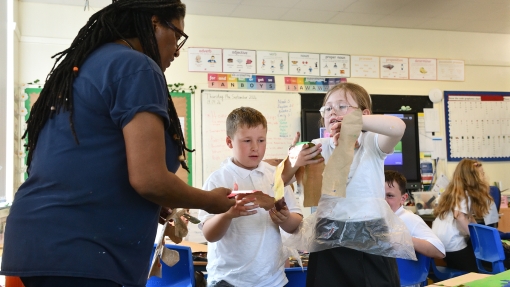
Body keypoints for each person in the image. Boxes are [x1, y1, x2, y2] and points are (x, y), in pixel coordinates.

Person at [0, 1, 234, 287]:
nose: (177, 49)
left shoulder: (85, 65)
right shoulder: (137, 66)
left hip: (40, 245)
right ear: (154, 22)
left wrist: (148, 203)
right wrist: (210, 201)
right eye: (177, 35)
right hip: (82, 251)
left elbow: (83, 163)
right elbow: (149, 179)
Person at [282, 82, 406, 287]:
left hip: (370, 235)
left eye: (342, 106)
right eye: (328, 108)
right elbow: (282, 181)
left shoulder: (372, 143)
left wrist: (357, 123)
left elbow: (398, 127)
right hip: (328, 236)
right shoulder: (318, 146)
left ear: (364, 114)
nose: (333, 112)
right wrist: (294, 160)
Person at [198, 107, 303, 287]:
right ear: (229, 142)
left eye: (261, 140)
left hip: (273, 281)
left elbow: (296, 225)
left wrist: (285, 218)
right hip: (229, 281)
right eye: (247, 140)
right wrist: (227, 214)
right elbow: (209, 234)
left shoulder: (276, 176)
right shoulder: (218, 180)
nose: (255, 147)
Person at [432, 158, 493, 272]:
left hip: (440, 241)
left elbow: (469, 217)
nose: (484, 176)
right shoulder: (465, 194)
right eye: (481, 174)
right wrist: (475, 237)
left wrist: (478, 231)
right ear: (472, 178)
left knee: (457, 268)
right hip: (453, 242)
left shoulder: (453, 193)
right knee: (474, 271)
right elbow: (459, 216)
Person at [384, 170, 445, 259]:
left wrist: (404, 238)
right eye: (380, 195)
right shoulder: (377, 219)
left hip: (403, 272)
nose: (383, 200)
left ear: (403, 198)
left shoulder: (408, 218)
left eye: (390, 196)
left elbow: (439, 250)